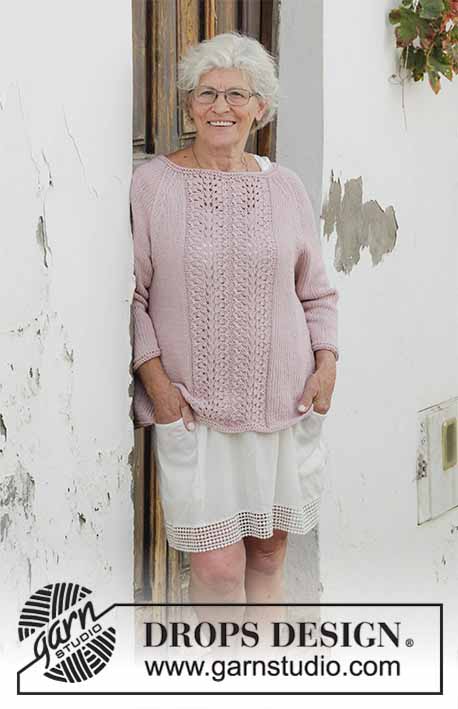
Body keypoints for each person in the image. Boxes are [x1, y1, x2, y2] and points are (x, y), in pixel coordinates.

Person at [130, 31, 339, 636]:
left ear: (260, 108)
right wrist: (158, 387)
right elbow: (132, 297)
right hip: (195, 411)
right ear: (188, 105)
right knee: (219, 571)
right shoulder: (153, 185)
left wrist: (326, 364)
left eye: (236, 95)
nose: (220, 107)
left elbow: (316, 292)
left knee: (269, 555)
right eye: (207, 93)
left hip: (283, 405)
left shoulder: (286, 186)